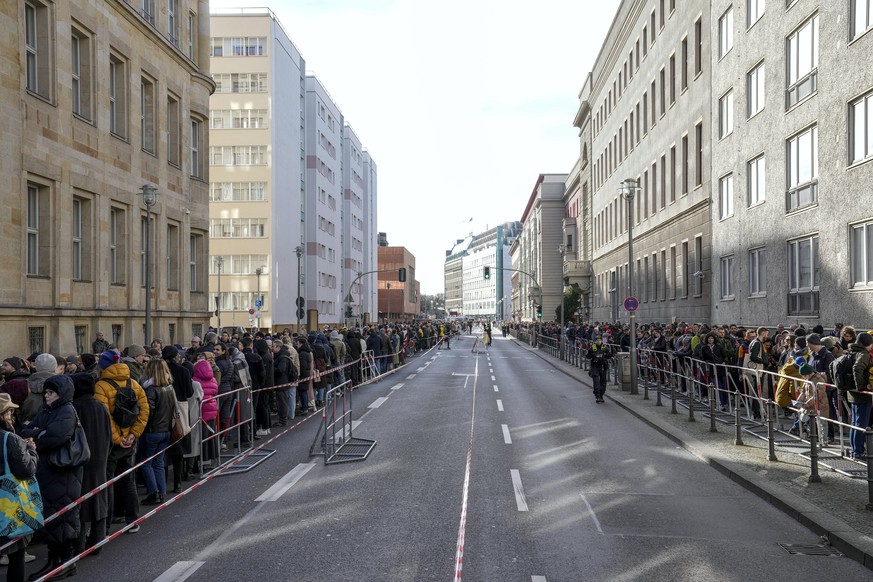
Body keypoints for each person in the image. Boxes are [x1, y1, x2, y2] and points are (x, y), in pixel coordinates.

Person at [20, 375, 83, 581]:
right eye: (46, 392)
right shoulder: (48, 410)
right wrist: (40, 432)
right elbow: (24, 429)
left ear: (61, 394)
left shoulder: (66, 411)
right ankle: (54, 559)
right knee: (51, 518)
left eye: (51, 393)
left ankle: (66, 561)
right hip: (48, 473)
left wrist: (37, 434)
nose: (46, 396)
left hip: (63, 474)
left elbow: (56, 436)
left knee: (62, 517)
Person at [94, 350, 149, 535]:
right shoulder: (133, 383)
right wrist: (133, 435)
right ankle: (132, 520)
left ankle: (106, 526)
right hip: (130, 442)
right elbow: (144, 410)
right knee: (128, 482)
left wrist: (118, 439)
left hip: (112, 444)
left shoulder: (101, 386)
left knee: (108, 483)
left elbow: (103, 417)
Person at [70, 373, 111, 557]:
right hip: (100, 457)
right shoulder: (100, 407)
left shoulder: (74, 407)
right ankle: (98, 540)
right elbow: (108, 433)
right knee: (99, 499)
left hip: (81, 460)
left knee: (79, 502)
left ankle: (79, 544)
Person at [0, 393, 38, 581]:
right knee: (16, 554)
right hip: (9, 506)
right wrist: (31, 449)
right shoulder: (10, 439)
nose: (12, 416)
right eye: (10, 412)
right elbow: (27, 470)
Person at [137, 359, 175, 505]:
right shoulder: (169, 387)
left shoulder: (151, 389)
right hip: (166, 429)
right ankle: (161, 492)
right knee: (158, 463)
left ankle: (154, 492)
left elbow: (149, 411)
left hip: (152, 430)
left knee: (146, 463)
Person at [847, 333, 873, 459]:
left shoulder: (851, 351)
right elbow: (857, 368)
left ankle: (854, 449)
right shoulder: (863, 354)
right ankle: (858, 451)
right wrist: (861, 387)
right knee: (860, 423)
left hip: (851, 393)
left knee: (854, 422)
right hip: (861, 395)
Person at [193, 359, 218, 469]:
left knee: (201, 436)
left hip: (201, 410)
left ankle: (201, 460)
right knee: (210, 435)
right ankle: (209, 459)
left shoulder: (195, 380)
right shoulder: (213, 379)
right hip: (212, 408)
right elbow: (215, 391)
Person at [587, 335, 612, 403]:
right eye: (597, 340)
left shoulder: (605, 347)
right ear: (595, 341)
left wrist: (604, 356)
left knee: (603, 382)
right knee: (596, 381)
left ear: (601, 341)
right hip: (595, 366)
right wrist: (593, 355)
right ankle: (597, 396)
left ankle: (601, 395)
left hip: (603, 366)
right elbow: (588, 356)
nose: (598, 341)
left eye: (599, 340)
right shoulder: (592, 347)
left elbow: (609, 355)